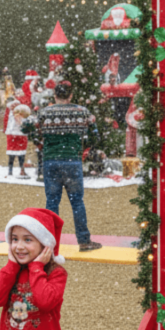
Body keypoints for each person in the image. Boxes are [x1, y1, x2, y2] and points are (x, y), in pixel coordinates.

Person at [23, 82, 103, 252]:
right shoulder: (82, 112)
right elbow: (95, 136)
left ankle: (50, 244)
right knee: (77, 202)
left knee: (52, 202)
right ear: (71, 95)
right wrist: (82, 146)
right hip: (72, 161)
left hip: (51, 160)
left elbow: (25, 127)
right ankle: (84, 240)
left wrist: (39, 141)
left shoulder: (44, 112)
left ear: (55, 96)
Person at [4, 101, 31, 178]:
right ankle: (11, 171)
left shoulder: (22, 113)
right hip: (13, 134)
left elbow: (24, 123)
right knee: (12, 154)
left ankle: (21, 170)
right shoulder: (10, 114)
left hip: (20, 135)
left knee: (21, 154)